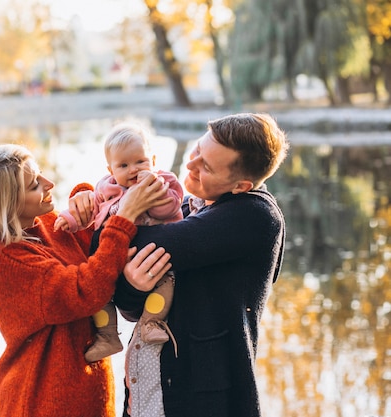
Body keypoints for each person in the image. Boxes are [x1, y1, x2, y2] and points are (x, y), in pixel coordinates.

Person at [0, 144, 173, 417]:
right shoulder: (5, 259)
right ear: (6, 203)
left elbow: (92, 250)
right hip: (44, 399)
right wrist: (125, 216)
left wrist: (87, 200)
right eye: (35, 185)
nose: (49, 184)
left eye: (41, 174)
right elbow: (85, 290)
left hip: (84, 393)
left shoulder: (43, 224)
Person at [113, 113, 289, 417]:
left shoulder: (254, 216)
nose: (190, 164)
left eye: (205, 166)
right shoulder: (183, 209)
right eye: (196, 150)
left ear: (241, 185)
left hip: (202, 398)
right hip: (147, 386)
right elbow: (129, 307)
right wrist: (132, 283)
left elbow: (119, 244)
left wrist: (118, 217)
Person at [55, 122, 184, 363]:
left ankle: (151, 323)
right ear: (110, 169)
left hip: (153, 257)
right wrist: (69, 219)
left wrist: (150, 187)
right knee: (98, 293)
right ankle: (107, 337)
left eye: (141, 162)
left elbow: (171, 207)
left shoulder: (165, 181)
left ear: (153, 160)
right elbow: (92, 208)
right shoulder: (107, 187)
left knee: (166, 284)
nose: (134, 170)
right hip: (114, 256)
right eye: (123, 165)